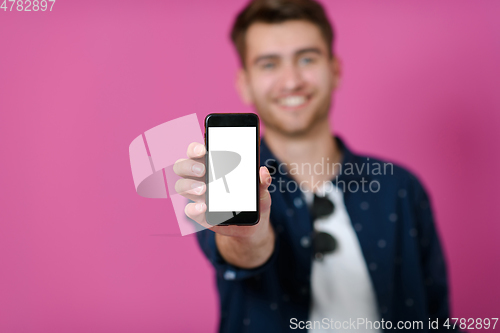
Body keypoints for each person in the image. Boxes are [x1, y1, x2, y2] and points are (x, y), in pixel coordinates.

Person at [173, 0, 454, 332]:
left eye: (306, 58)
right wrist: (247, 236)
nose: (291, 81)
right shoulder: (223, 183)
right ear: (244, 83)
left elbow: (438, 317)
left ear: (334, 70)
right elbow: (239, 253)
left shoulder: (401, 188)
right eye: (268, 64)